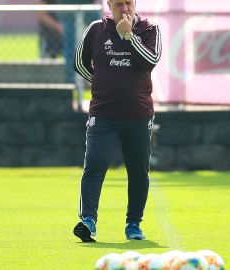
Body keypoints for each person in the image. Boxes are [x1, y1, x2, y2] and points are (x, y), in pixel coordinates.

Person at [72, 0, 162, 242]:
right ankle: (88, 221)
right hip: (103, 114)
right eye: (119, 4)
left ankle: (133, 225)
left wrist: (129, 37)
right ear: (109, 5)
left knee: (138, 170)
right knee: (94, 164)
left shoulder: (149, 29)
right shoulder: (95, 29)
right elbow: (79, 63)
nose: (125, 9)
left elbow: (151, 61)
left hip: (139, 115)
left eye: (129, 3)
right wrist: (102, 81)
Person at [58, 0, 101, 83]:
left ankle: (97, 75)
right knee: (70, 46)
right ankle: (71, 79)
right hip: (68, 8)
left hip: (87, 7)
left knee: (100, 40)